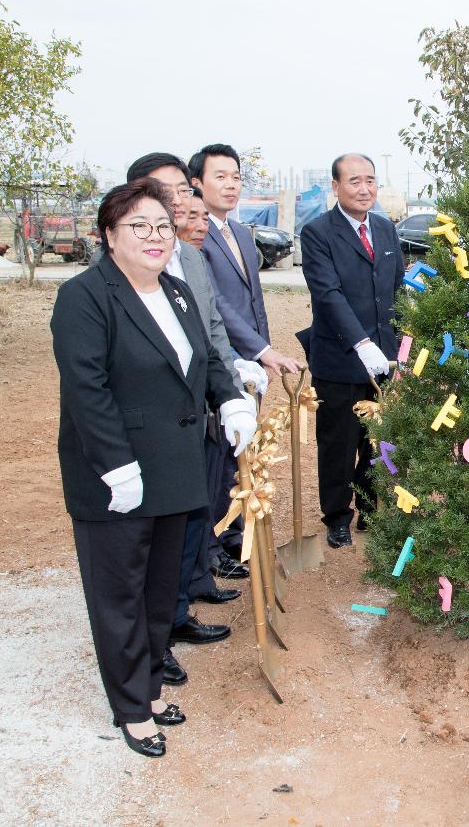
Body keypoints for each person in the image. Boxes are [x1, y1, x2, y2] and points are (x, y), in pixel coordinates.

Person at [52, 179, 257, 756]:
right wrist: (117, 466)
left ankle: (146, 686)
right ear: (109, 236)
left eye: (162, 226)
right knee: (119, 594)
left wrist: (231, 397)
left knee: (158, 590)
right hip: (117, 476)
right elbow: (87, 391)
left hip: (176, 469)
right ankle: (130, 707)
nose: (155, 236)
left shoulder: (177, 291)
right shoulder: (85, 298)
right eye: (137, 226)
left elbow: (206, 360)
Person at [127, 153, 257, 685]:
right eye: (166, 192)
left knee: (193, 512)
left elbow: (210, 331)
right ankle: (155, 635)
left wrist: (233, 382)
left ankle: (180, 609)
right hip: (154, 425)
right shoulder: (125, 269)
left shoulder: (190, 258)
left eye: (183, 191)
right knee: (153, 539)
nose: (179, 202)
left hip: (203, 408)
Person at [189, 143, 301, 575]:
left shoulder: (238, 232)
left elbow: (253, 302)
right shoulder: (196, 235)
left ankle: (235, 535)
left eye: (236, 176)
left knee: (242, 453)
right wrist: (260, 351)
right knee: (218, 456)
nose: (231, 184)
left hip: (251, 365)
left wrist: (263, 348)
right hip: (224, 363)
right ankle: (212, 545)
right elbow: (216, 305)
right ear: (197, 182)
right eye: (220, 176)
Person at [297, 153, 405, 548]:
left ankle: (369, 507)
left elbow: (396, 291)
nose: (365, 189)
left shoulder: (385, 229)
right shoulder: (318, 233)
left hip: (384, 359)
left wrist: (399, 342)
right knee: (339, 442)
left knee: (376, 439)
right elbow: (328, 295)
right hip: (341, 357)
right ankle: (337, 516)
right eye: (355, 181)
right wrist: (362, 343)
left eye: (371, 181)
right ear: (336, 186)